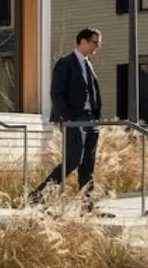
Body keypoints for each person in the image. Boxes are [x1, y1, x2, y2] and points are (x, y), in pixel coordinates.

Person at [29, 28, 104, 207]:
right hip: (74, 118)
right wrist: (68, 117)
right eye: (95, 42)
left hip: (90, 119)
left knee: (88, 162)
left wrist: (95, 115)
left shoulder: (88, 64)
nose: (97, 47)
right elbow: (56, 93)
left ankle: (88, 204)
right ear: (83, 42)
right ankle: (38, 194)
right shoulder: (66, 63)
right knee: (73, 160)